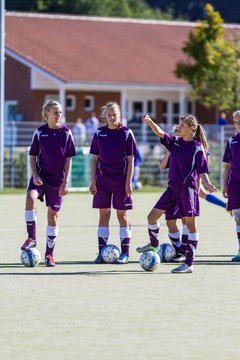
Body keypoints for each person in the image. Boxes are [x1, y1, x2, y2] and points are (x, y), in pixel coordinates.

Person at [136, 114, 217, 273]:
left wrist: (208, 183)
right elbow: (159, 132)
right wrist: (150, 121)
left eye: (182, 125)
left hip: (188, 190)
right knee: (151, 217)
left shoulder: (197, 147)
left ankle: (188, 264)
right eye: (179, 125)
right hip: (172, 188)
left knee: (191, 225)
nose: (178, 127)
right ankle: (154, 245)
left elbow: (202, 171)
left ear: (192, 128)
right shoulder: (175, 142)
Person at [21, 100, 76, 267]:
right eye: (55, 112)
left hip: (57, 181)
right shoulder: (39, 132)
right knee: (30, 198)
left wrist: (65, 182)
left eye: (60, 112)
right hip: (41, 177)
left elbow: (69, 160)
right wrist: (35, 174)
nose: (59, 115)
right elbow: (32, 157)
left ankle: (49, 255)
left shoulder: (66, 133)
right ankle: (32, 238)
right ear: (47, 115)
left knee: (53, 215)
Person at [89, 101, 137, 264]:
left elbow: (131, 160)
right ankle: (101, 252)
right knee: (103, 214)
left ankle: (125, 253)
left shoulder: (126, 133)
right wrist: (93, 181)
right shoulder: (99, 133)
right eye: (109, 115)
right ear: (105, 116)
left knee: (122, 215)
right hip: (103, 180)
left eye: (114, 115)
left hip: (121, 180)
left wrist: (128, 182)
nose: (111, 117)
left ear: (119, 115)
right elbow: (94, 159)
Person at [223, 110, 240, 261]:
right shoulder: (231, 141)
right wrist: (225, 185)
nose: (238, 124)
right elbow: (227, 166)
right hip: (234, 184)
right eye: (235, 122)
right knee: (238, 217)